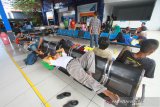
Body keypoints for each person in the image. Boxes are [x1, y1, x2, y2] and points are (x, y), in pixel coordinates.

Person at [44, 46, 119, 104]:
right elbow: (45, 60)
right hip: (71, 67)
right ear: (53, 57)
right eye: (55, 55)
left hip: (77, 61)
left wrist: (55, 52)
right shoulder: (55, 61)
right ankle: (108, 93)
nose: (57, 54)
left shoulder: (62, 55)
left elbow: (62, 49)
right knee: (86, 79)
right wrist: (50, 55)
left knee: (90, 53)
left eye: (57, 53)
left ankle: (90, 72)